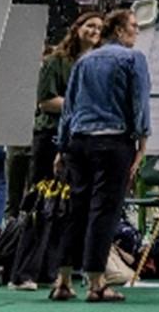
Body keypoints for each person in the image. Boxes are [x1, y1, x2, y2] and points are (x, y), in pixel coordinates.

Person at [53, 7, 150, 303]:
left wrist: (61, 146)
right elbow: (139, 102)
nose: (137, 31)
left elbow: (69, 107)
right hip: (113, 142)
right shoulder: (133, 59)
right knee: (104, 212)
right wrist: (142, 141)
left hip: (79, 143)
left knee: (76, 210)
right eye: (133, 26)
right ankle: (97, 283)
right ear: (119, 31)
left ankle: (63, 280)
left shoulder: (83, 61)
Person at [31, 12, 104, 204]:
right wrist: (84, 106)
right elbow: (46, 101)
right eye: (90, 25)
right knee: (45, 197)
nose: (95, 30)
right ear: (77, 29)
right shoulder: (55, 61)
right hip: (51, 135)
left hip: (84, 138)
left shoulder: (101, 64)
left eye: (99, 28)